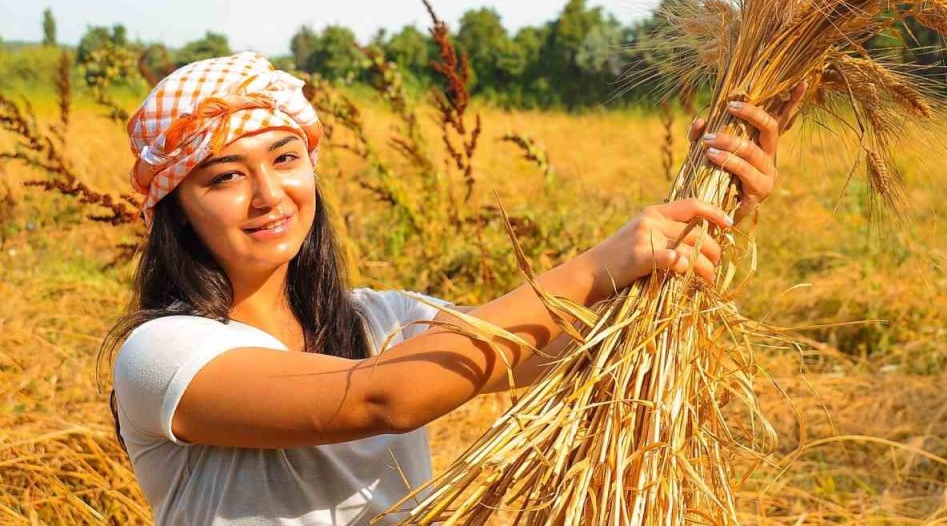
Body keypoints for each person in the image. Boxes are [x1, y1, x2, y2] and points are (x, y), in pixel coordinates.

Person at [105, 51, 799, 525]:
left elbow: (588, 350)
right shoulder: (163, 356)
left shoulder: (382, 321)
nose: (268, 195)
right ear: (176, 206)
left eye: (285, 160)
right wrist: (601, 260)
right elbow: (385, 397)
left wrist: (713, 208)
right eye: (224, 176)